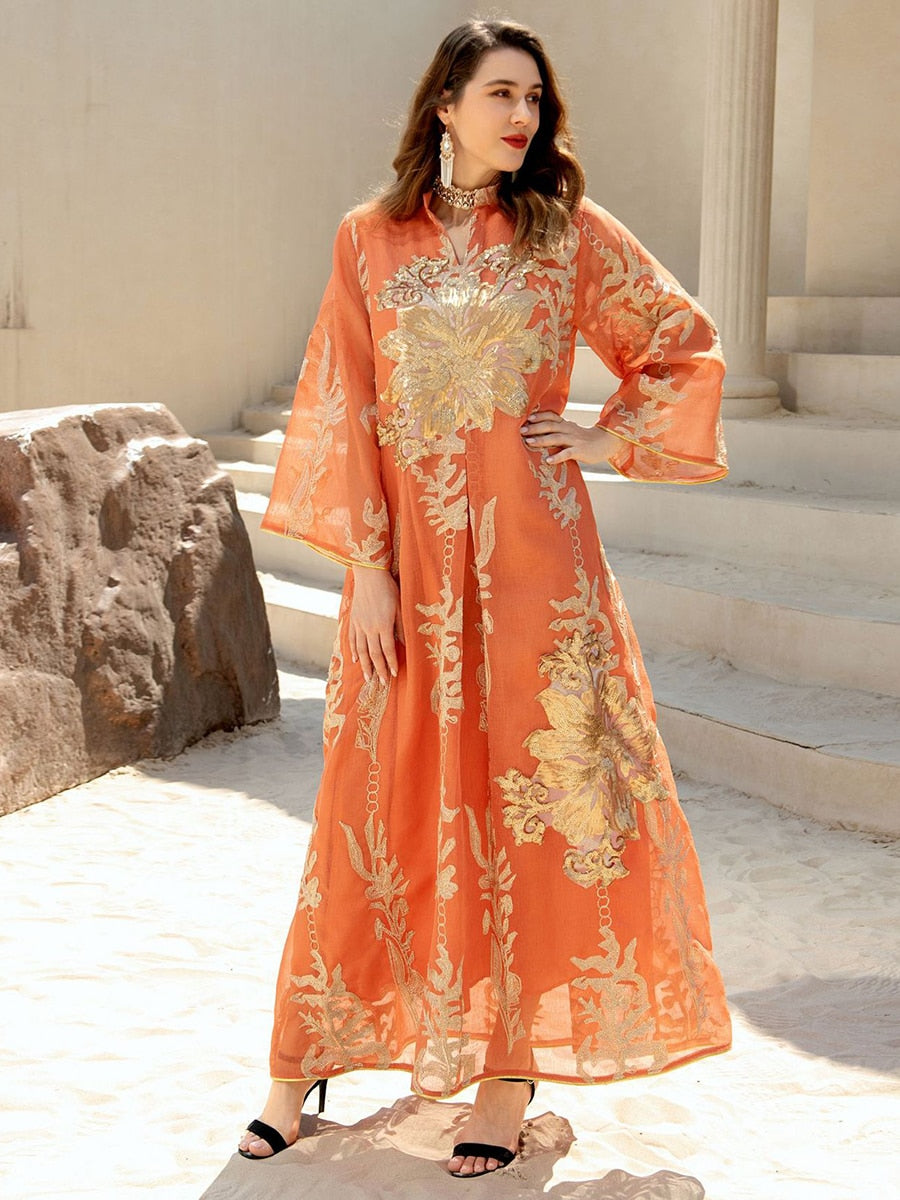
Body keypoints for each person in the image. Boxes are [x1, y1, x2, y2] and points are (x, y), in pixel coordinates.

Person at [238, 17, 732, 1179]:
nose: (522, 116)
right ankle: (301, 1061)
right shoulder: (369, 239)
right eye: (501, 93)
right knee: (372, 803)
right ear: (444, 104)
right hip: (407, 575)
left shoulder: (563, 233)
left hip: (534, 576)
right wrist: (367, 570)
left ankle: (509, 1072)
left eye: (535, 99)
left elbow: (683, 344)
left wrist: (603, 433)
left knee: (532, 816)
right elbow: (348, 402)